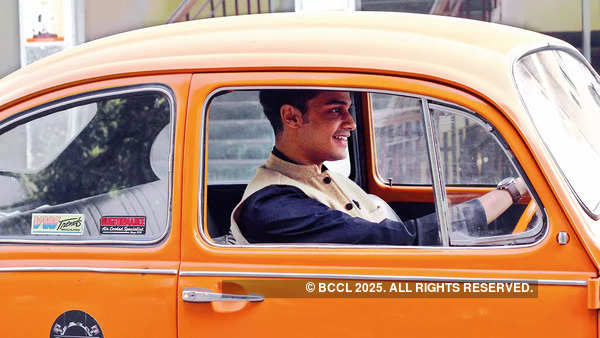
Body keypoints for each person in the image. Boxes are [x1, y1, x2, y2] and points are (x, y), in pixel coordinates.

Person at [229, 90, 528, 245]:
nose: (352, 123)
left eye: (349, 109)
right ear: (292, 117)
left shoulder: (324, 176)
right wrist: (510, 192)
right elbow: (397, 241)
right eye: (335, 110)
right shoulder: (272, 206)